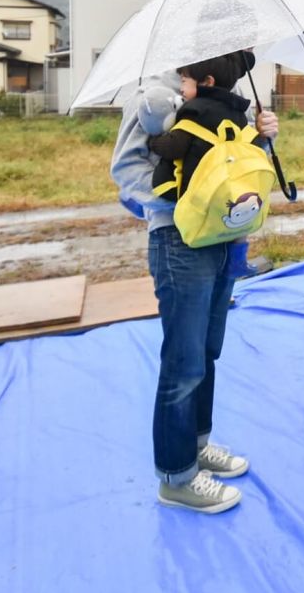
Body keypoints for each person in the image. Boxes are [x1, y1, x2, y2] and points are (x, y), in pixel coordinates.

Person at [111, 55, 279, 514]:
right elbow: (124, 171)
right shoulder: (154, 98)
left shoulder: (222, 93)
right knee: (183, 361)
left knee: (207, 352)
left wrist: (263, 138)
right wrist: (186, 201)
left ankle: (197, 445)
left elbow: (235, 168)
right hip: (179, 240)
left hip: (225, 239)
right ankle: (176, 476)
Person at [150, 51, 261, 279]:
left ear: (207, 82)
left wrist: (154, 141)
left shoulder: (194, 111)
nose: (181, 88)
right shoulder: (237, 111)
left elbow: (174, 147)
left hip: (199, 211)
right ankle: (239, 259)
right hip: (217, 208)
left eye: (185, 83)